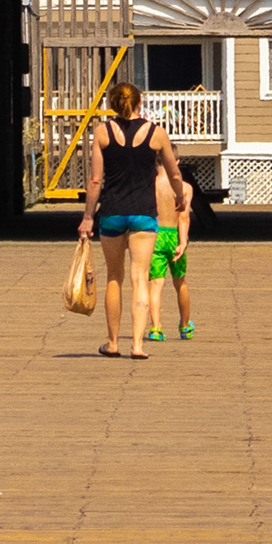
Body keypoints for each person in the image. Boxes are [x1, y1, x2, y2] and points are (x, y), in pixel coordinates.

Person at [78, 74, 184, 358]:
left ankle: (113, 343)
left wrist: (88, 217)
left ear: (112, 105)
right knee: (140, 278)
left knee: (114, 277)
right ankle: (137, 345)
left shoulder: (102, 132)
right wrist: (181, 197)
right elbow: (174, 173)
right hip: (143, 214)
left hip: (112, 213)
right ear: (140, 102)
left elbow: (95, 181)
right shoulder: (156, 133)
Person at [146, 156, 197, 341]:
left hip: (155, 235)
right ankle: (185, 326)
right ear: (175, 161)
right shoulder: (185, 188)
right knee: (180, 282)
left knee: (156, 284)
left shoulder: (149, 186)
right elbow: (183, 218)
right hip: (174, 235)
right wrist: (182, 242)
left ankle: (156, 328)